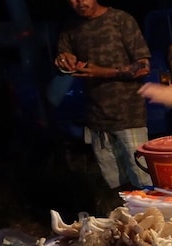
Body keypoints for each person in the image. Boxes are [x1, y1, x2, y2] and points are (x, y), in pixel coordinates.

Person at [55, 0, 151, 189]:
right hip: (96, 120)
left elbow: (143, 67)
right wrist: (64, 61)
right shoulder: (71, 27)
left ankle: (154, 218)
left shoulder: (120, 19)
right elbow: (62, 62)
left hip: (128, 116)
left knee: (144, 182)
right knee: (116, 187)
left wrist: (104, 72)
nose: (79, 3)